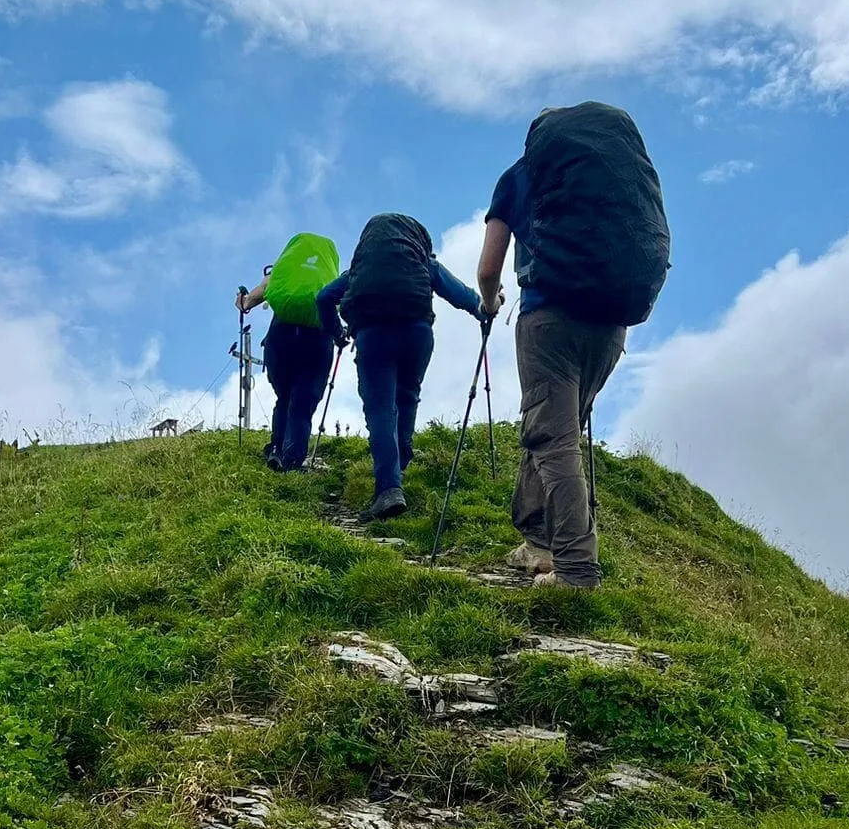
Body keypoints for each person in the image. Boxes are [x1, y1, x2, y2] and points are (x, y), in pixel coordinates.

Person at [478, 102, 670, 590]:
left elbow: (487, 268)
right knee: (551, 427)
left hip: (549, 319)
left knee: (553, 438)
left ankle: (576, 571)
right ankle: (537, 544)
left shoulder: (521, 176)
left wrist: (488, 301)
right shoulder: (616, 179)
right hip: (610, 325)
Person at [317, 214, 483, 521]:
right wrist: (482, 306)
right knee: (407, 396)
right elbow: (454, 290)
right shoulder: (421, 261)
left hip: (373, 335)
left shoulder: (358, 271)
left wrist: (337, 333)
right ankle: (403, 457)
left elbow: (324, 297)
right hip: (417, 333)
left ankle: (389, 489)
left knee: (381, 411)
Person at [236, 231, 340, 470]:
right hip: (317, 337)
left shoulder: (281, 272)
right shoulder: (328, 275)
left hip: (281, 334)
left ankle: (276, 447)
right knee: (304, 399)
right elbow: (341, 303)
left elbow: (249, 301)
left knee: (284, 395)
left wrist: (243, 301)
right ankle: (292, 458)